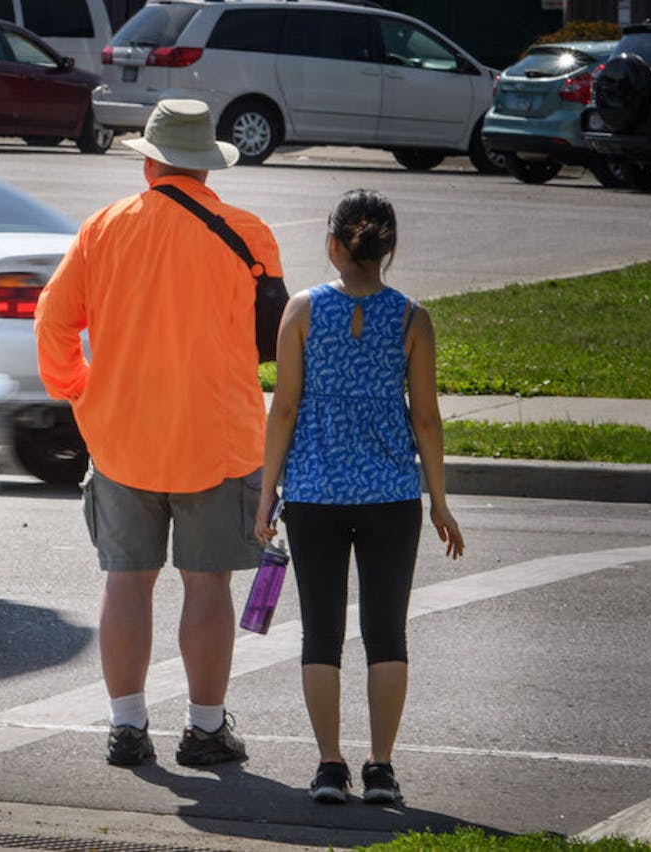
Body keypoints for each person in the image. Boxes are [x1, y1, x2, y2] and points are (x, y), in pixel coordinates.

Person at [34, 98, 282, 768]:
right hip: (218, 437)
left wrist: (78, 388)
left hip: (122, 437)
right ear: (207, 164)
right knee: (207, 586)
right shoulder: (249, 232)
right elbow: (270, 340)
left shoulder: (103, 228)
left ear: (149, 161)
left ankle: (126, 726)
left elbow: (53, 324)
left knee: (127, 581)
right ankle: (204, 730)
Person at [253, 188, 464, 805]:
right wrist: (440, 500)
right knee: (386, 632)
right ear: (389, 248)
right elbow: (426, 419)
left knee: (320, 632)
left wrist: (268, 493)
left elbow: (284, 407)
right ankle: (381, 769)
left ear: (332, 244)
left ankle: (328, 767)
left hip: (315, 492)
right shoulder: (411, 318)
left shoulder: (301, 311)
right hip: (392, 495)